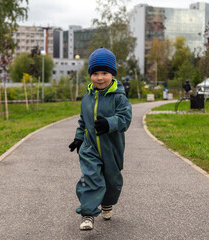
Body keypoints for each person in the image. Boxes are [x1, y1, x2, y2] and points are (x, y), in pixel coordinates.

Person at [68, 47, 132, 231]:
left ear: (112, 74)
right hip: (90, 149)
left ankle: (107, 203)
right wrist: (78, 138)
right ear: (90, 75)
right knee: (91, 178)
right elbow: (83, 121)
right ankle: (87, 214)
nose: (100, 77)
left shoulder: (119, 98)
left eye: (104, 73)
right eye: (95, 73)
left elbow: (125, 119)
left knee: (112, 182)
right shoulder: (87, 98)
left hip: (111, 148)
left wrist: (109, 123)